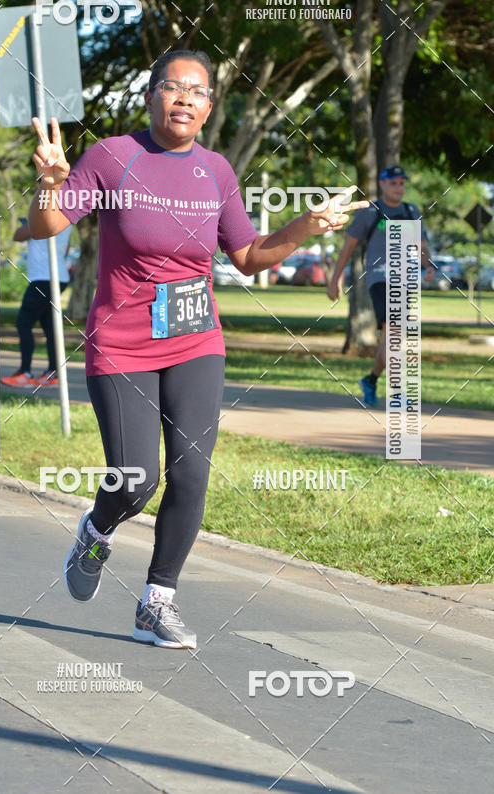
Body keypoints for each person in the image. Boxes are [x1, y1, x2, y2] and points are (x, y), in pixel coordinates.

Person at [28, 50, 367, 649]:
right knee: (136, 481)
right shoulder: (112, 157)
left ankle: (157, 602)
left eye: (198, 91)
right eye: (171, 86)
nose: (185, 97)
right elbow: (46, 226)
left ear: (209, 108)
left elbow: (248, 256)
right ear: (151, 95)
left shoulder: (216, 170)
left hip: (195, 338)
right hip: (123, 342)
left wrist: (305, 229)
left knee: (191, 471)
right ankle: (97, 528)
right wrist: (50, 184)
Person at [327, 165, 433, 407]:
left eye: (402, 183)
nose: (398, 188)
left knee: (392, 337)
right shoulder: (370, 211)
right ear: (383, 184)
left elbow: (421, 245)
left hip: (406, 279)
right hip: (380, 279)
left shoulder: (411, 210)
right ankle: (398, 393)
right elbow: (348, 247)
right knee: (394, 333)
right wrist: (334, 279)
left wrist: (429, 266)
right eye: (393, 183)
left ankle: (371, 379)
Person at [1, 219, 72, 387]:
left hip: (43, 277)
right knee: (49, 326)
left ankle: (25, 373)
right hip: (58, 276)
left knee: (23, 322)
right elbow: (67, 249)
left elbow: (18, 235)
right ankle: (53, 373)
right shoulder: (69, 213)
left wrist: (27, 222)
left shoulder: (45, 210)